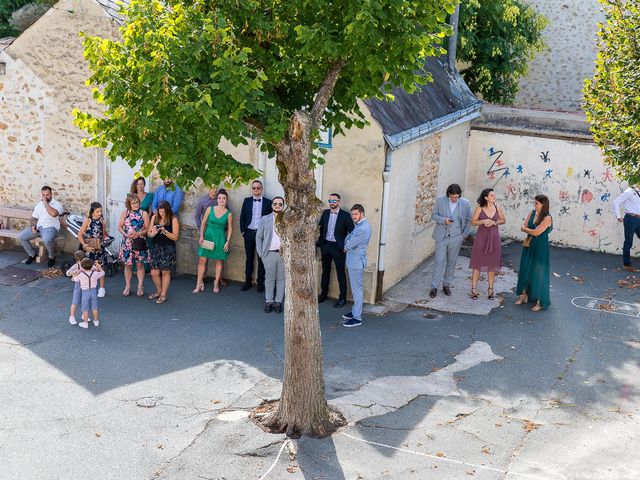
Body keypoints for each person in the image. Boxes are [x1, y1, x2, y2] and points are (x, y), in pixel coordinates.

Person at [429, 184, 472, 298]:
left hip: (456, 237)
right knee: (439, 261)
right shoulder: (440, 201)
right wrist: (443, 220)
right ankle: (434, 286)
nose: (454, 199)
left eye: (456, 197)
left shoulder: (465, 203)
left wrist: (463, 235)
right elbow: (433, 215)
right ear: (448, 194)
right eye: (452, 197)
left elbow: (469, 219)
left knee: (451, 262)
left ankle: (446, 285)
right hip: (441, 236)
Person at [515, 195, 553, 311]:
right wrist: (529, 230)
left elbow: (536, 232)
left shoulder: (547, 218)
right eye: (534, 202)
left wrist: (527, 230)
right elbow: (524, 226)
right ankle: (523, 295)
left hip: (540, 247)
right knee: (525, 268)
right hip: (529, 245)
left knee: (539, 273)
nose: (534, 205)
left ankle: (540, 301)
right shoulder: (532, 213)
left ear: (543, 204)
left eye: (536, 203)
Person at [317, 193, 354, 308]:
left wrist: (345, 246)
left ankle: (342, 298)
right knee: (325, 272)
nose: (332, 203)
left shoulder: (345, 215)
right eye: (330, 201)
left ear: (339, 201)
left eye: (334, 201)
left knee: (340, 273)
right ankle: (323, 294)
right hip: (326, 245)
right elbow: (320, 227)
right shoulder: (325, 213)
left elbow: (352, 232)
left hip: (338, 248)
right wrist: (320, 242)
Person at [469, 188, 506, 300]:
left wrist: (494, 222)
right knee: (477, 264)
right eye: (491, 195)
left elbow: (503, 220)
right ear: (486, 197)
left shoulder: (497, 207)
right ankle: (473, 290)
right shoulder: (480, 208)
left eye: (494, 195)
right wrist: (483, 221)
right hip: (481, 238)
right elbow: (473, 222)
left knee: (492, 264)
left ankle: (490, 290)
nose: (493, 197)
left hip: (494, 238)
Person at [194, 189, 232, 293]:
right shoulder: (209, 209)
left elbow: (230, 229)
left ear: (226, 200)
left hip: (220, 238)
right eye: (219, 198)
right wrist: (201, 236)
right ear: (217, 199)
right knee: (202, 260)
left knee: (219, 260)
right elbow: (203, 223)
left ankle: (216, 282)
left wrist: (227, 241)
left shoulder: (228, 214)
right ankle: (199, 283)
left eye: (224, 198)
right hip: (208, 236)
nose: (221, 200)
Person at [19, 185, 64, 267]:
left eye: (47, 195)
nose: (45, 197)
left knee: (46, 240)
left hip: (51, 228)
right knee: (22, 236)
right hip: (39, 227)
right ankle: (32, 254)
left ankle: (51, 256)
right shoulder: (39, 205)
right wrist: (33, 226)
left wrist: (46, 203)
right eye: (43, 195)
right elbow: (33, 218)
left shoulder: (57, 204)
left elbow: (53, 214)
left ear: (51, 194)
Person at [342, 204, 372, 328]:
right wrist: (348, 241)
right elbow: (349, 237)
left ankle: (357, 317)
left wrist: (346, 245)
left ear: (362, 214)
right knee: (355, 290)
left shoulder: (362, 228)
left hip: (356, 262)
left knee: (357, 290)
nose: (353, 216)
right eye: (352, 214)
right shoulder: (360, 225)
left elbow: (349, 243)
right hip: (354, 260)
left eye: (356, 214)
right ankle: (355, 312)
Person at [239, 180, 272, 291]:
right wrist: (243, 231)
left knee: (261, 259)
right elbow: (242, 216)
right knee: (249, 258)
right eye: (254, 188)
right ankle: (248, 281)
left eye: (258, 188)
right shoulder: (247, 201)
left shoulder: (268, 202)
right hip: (249, 232)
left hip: (261, 234)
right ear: (252, 189)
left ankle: (260, 283)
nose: (256, 190)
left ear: (261, 189)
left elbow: (271, 219)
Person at [256, 196, 286, 313]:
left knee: (281, 279)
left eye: (280, 204)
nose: (277, 206)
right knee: (269, 278)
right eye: (275, 204)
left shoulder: (287, 220)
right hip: (268, 254)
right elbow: (259, 237)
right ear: (272, 205)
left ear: (283, 206)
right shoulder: (265, 219)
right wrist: (261, 253)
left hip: (283, 254)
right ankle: (269, 301)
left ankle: (278, 302)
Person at [148, 201, 180, 304]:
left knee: (166, 272)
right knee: (154, 272)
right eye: (160, 211)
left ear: (168, 210)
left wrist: (165, 231)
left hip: (168, 248)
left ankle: (163, 293)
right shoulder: (154, 218)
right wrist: (153, 233)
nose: (162, 214)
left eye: (163, 212)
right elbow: (149, 234)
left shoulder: (173, 219)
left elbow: (175, 237)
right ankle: (159, 290)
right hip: (156, 247)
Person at [118, 193, 150, 297]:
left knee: (140, 265)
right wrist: (126, 234)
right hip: (127, 242)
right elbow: (120, 227)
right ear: (129, 204)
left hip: (139, 241)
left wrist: (139, 233)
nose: (136, 204)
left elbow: (147, 228)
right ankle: (127, 286)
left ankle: (140, 286)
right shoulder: (125, 213)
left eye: (137, 202)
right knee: (128, 265)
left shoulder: (143, 213)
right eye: (133, 203)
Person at [77, 202, 108, 298]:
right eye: (97, 211)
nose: (99, 213)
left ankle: (102, 288)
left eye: (100, 211)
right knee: (88, 268)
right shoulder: (88, 221)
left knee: (100, 268)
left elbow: (104, 235)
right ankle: (88, 287)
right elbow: (80, 235)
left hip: (99, 248)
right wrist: (85, 245)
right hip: (90, 249)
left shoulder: (101, 221)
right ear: (92, 212)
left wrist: (104, 228)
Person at [612, 185, 640, 272]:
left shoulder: (638, 192)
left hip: (638, 220)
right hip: (630, 219)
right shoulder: (630, 191)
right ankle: (626, 265)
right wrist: (618, 216)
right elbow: (615, 202)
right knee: (628, 242)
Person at [72, 258, 105, 329]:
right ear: (92, 266)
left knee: (85, 308)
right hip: (93, 291)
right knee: (94, 307)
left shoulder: (81, 275)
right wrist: (99, 267)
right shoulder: (95, 273)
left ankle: (85, 322)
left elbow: (74, 279)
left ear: (82, 267)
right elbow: (103, 273)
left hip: (85, 292)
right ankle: (96, 321)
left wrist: (76, 273)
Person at [66, 250, 89, 325]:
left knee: (85, 302)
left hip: (86, 286)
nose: (82, 262)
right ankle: (72, 316)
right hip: (78, 286)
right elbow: (68, 272)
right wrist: (73, 273)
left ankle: (84, 315)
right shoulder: (76, 265)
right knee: (75, 301)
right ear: (77, 260)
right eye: (80, 261)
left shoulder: (87, 264)